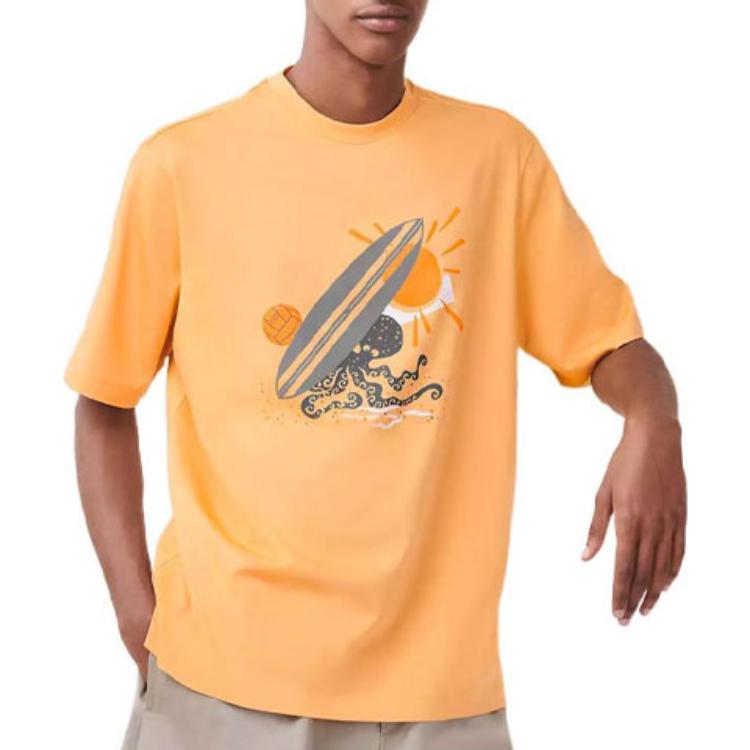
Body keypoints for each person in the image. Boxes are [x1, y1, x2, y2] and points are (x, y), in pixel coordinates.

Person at [65, 1, 687, 748]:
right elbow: (105, 398)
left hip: (439, 701)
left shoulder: (497, 157)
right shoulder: (181, 164)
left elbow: (611, 343)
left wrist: (655, 421)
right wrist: (135, 611)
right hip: (219, 686)